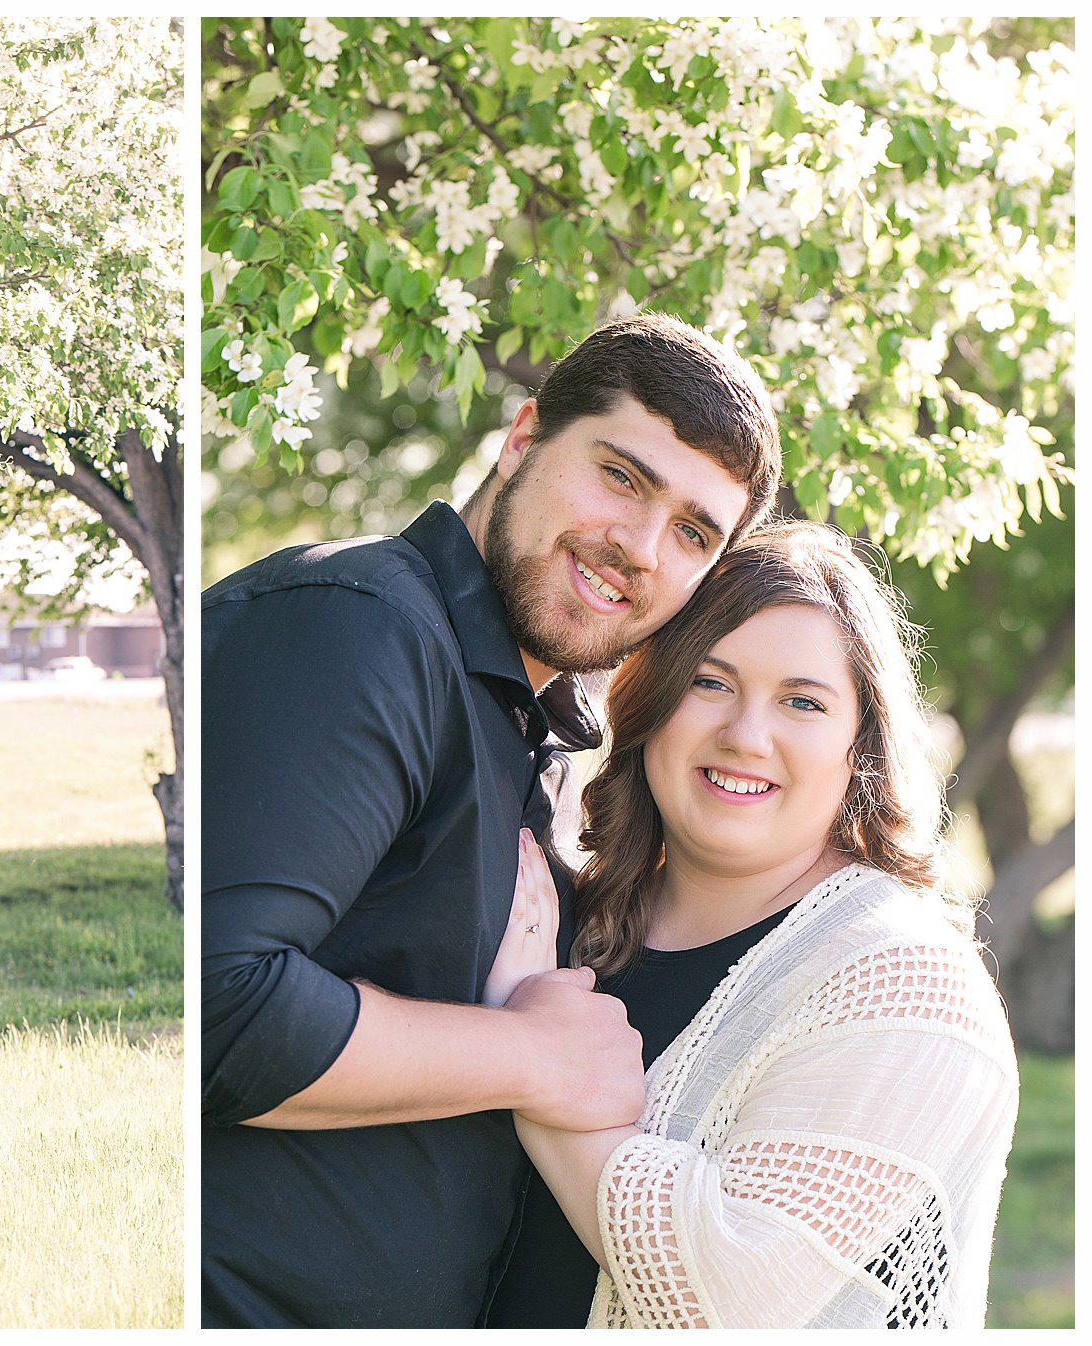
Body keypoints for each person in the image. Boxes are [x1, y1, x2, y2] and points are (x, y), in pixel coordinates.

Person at [201, 312, 784, 1327]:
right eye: (622, 475)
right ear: (521, 440)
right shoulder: (364, 621)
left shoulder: (540, 728)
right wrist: (533, 1056)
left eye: (693, 530)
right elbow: (217, 1005)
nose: (640, 546)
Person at [488, 521, 1018, 1328]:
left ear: (859, 746)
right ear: (649, 701)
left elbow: (730, 1294)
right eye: (710, 682)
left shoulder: (907, 980)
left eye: (803, 701)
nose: (747, 735)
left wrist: (529, 1051)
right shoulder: (563, 922)